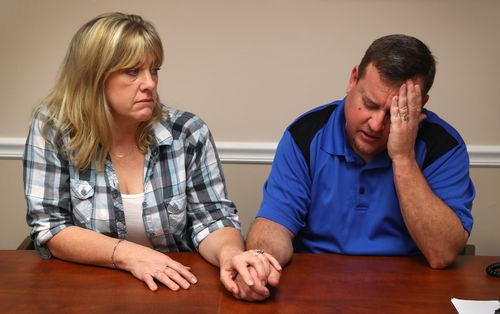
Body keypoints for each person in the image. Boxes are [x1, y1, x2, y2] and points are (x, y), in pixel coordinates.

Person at [23, 12, 279, 297]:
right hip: (86, 291)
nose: (150, 83)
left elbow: (212, 219)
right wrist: (130, 255)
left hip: (176, 288)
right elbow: (51, 228)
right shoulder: (53, 128)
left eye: (154, 69)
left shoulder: (188, 132)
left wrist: (231, 256)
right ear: (93, 76)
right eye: (133, 71)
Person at [237, 34, 475, 300]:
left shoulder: (444, 146)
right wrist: (259, 259)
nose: (375, 124)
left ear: (420, 106)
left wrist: (403, 157)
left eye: (394, 114)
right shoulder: (305, 135)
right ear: (353, 80)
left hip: (411, 289)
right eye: (370, 104)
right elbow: (274, 224)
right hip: (313, 286)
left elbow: (441, 254)